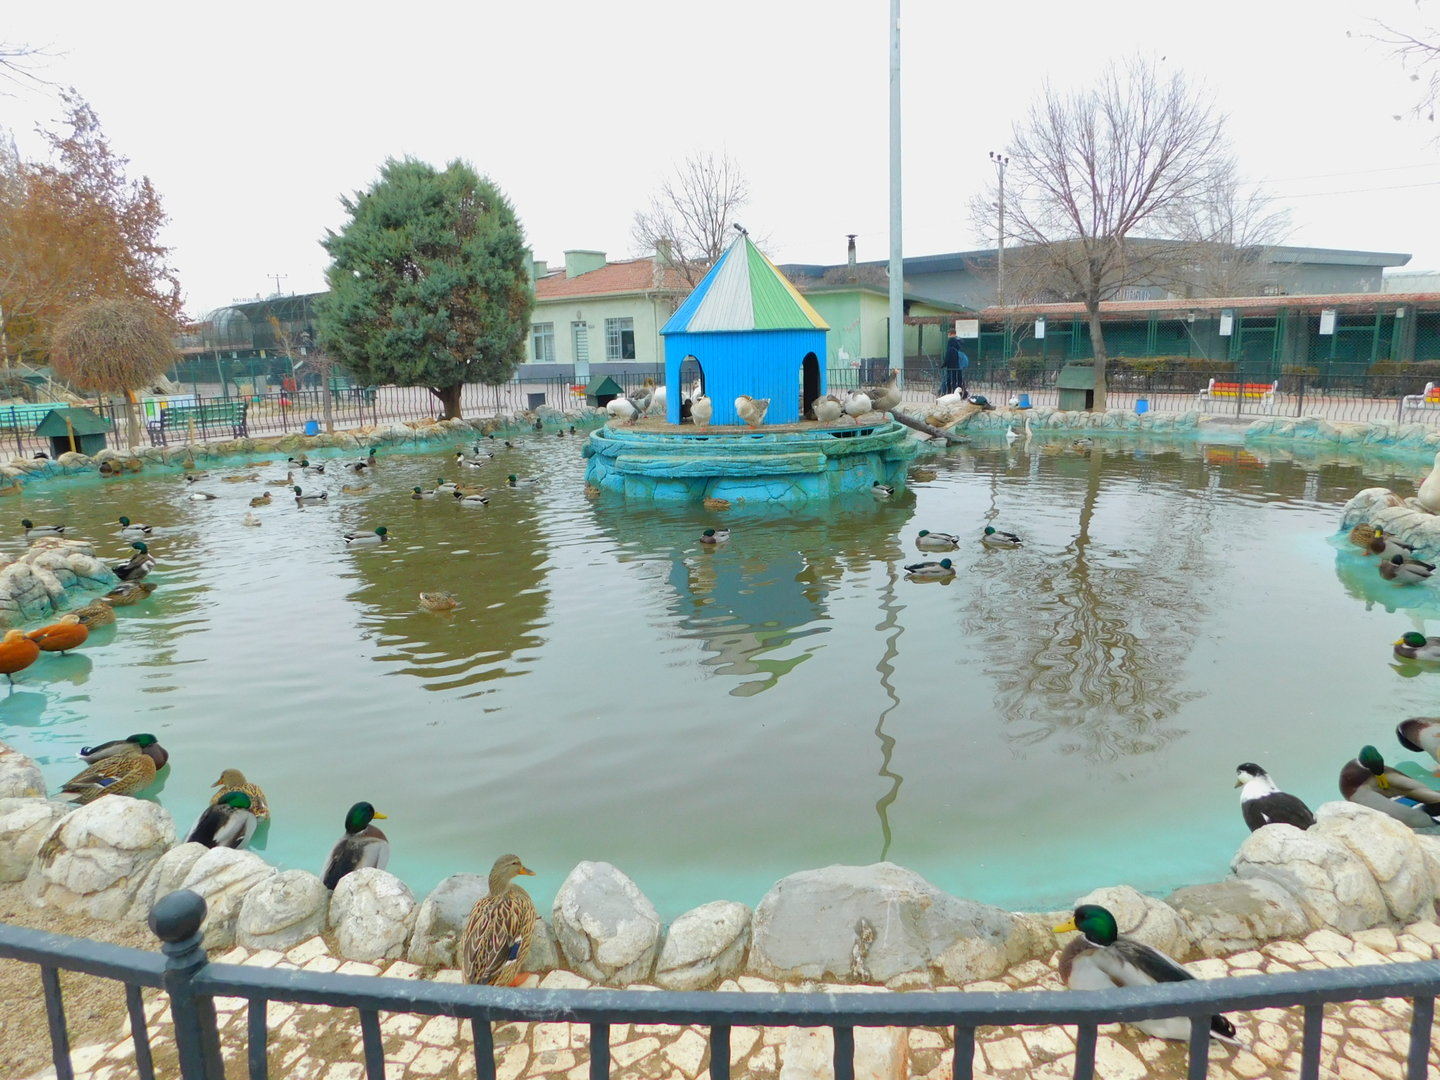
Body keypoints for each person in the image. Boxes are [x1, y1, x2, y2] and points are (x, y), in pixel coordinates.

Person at [941, 330, 969, 396]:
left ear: (950, 334)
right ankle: (962, 393)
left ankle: (948, 393)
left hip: (951, 365)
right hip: (958, 365)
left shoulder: (951, 342)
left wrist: (944, 363)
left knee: (950, 380)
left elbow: (948, 354)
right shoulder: (958, 342)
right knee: (959, 380)